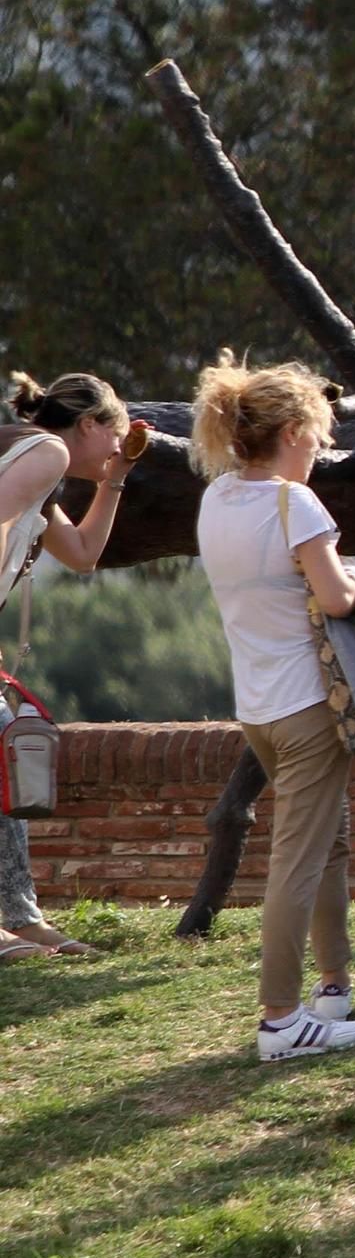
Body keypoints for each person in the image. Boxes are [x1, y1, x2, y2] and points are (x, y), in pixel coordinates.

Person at [188, 357, 355, 1059]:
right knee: (298, 860)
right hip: (308, 705)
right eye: (317, 438)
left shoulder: (218, 499)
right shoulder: (297, 505)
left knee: (329, 844)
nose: (319, 451)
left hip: (257, 705)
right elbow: (336, 600)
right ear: (292, 431)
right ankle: (280, 1019)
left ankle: (332, 985)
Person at [0, 371, 134, 962]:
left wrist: (118, 478)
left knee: (9, 757)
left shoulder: (41, 469)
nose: (115, 447)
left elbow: (81, 555)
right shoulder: (47, 450)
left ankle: (19, 917)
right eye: (115, 435)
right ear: (88, 424)